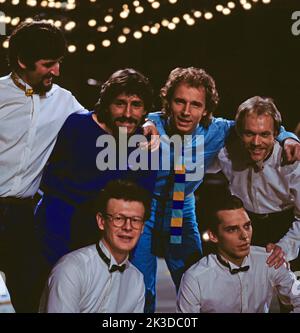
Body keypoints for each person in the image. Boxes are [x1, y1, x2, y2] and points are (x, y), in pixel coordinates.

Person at [130, 67, 300, 312]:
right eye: (179, 101)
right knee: (141, 282)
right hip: (144, 207)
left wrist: (288, 137)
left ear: (206, 109)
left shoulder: (217, 130)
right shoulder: (149, 126)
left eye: (196, 104)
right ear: (167, 102)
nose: (187, 112)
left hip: (183, 203)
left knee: (194, 275)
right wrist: (143, 123)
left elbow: (259, 126)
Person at [35, 68, 157, 276]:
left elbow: (140, 201)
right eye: (120, 103)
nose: (128, 113)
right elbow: (52, 185)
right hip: (61, 233)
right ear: (107, 104)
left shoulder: (145, 143)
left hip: (109, 243)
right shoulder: (77, 125)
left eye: (136, 105)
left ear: (145, 110)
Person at [0, 20, 86, 312]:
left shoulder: (64, 100)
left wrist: (150, 124)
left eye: (59, 63)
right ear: (23, 61)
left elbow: (99, 126)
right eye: (49, 64)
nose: (57, 71)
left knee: (29, 296)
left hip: (23, 217)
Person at [39, 179, 151, 313]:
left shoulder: (137, 280)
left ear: (143, 227)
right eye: (119, 219)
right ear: (101, 221)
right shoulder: (72, 269)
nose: (127, 227)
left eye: (135, 220)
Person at [177, 194, 300, 313]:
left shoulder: (269, 260)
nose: (244, 236)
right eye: (232, 229)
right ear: (213, 236)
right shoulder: (195, 278)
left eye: (247, 226)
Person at [215, 96, 300, 268]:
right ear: (239, 132)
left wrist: (284, 248)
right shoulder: (226, 155)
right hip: (246, 227)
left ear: (276, 134)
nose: (256, 142)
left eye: (264, 134)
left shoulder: (294, 162)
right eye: (249, 133)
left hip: (287, 227)